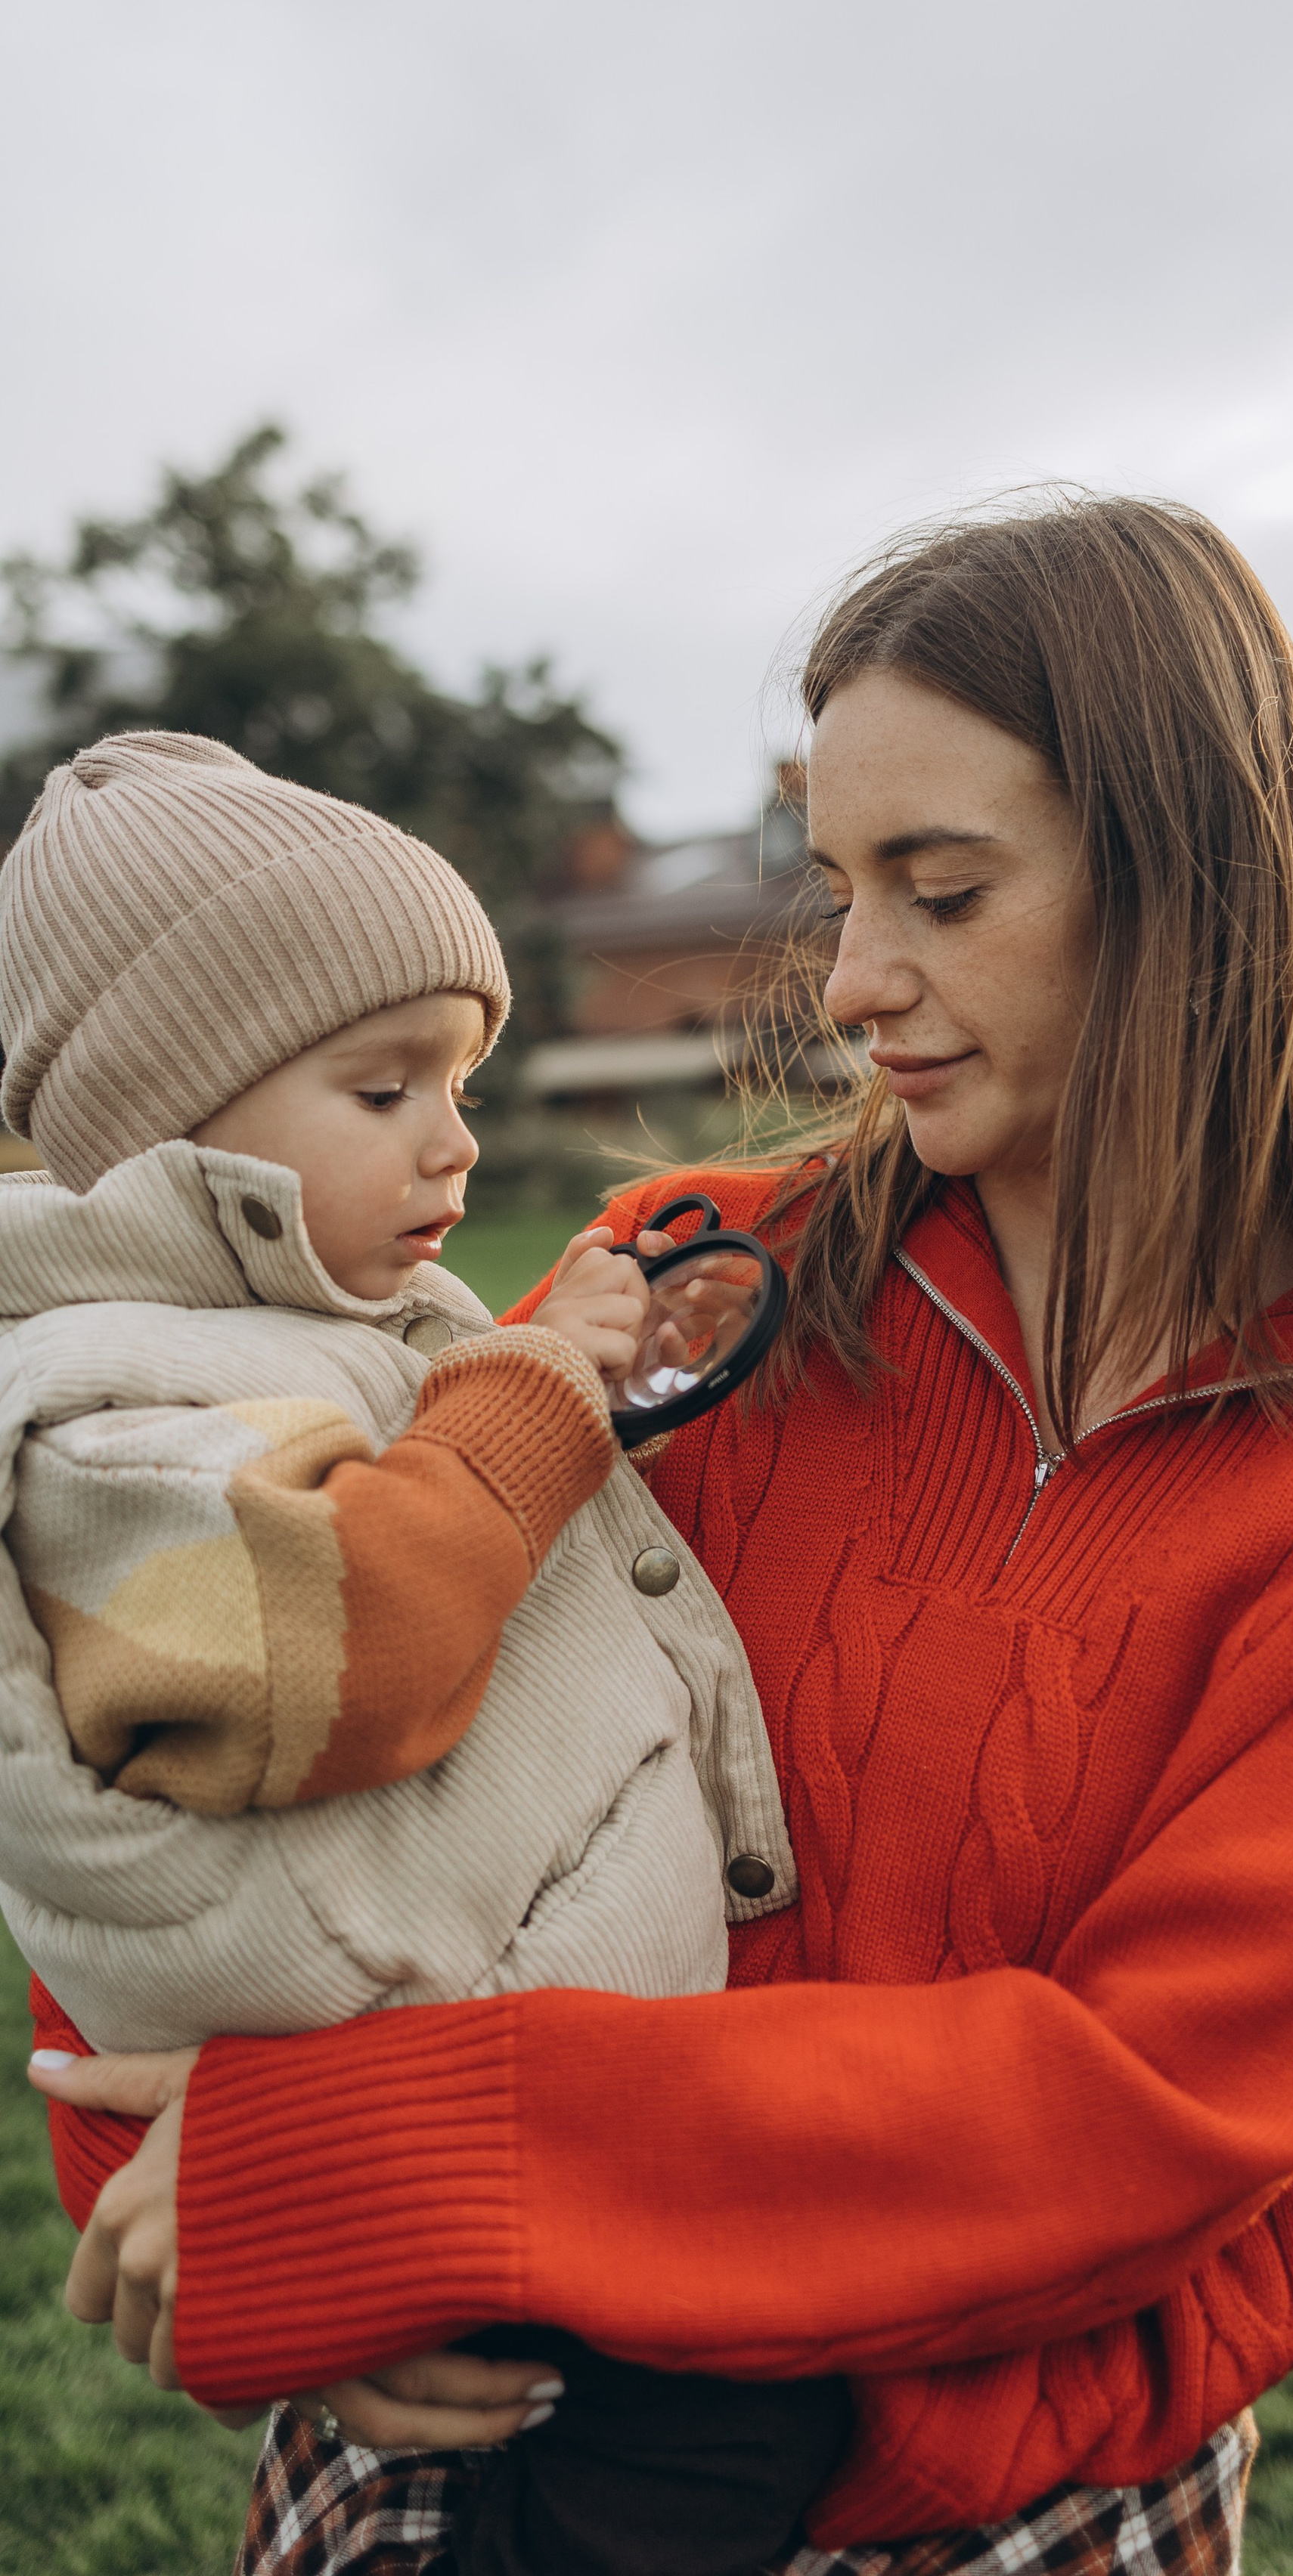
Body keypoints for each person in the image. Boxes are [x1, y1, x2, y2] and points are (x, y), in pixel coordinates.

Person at [34, 500, 1293, 2576]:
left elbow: (1147, 2099)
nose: (856, 979)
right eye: (836, 888)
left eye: (944, 890)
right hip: (505, 2408)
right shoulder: (680, 1282)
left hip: (1021, 2475)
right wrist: (198, 2194)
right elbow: (218, 1662)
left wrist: (410, 2167)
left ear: (1195, 879)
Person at [0, 730, 849, 2576]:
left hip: (503, 2111)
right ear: (172, 1123)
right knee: (701, 2440)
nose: (454, 1140)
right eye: (382, 1086)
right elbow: (346, 1651)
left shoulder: (311, 1330)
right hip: (416, 2113)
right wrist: (535, 1396)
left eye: (457, 1079)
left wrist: (555, 1375)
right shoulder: (97, 1401)